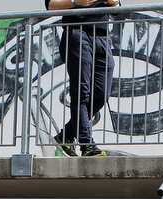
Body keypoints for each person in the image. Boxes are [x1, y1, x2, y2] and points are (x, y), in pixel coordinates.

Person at [45, 0, 118, 157]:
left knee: (101, 94)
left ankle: (66, 136)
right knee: (81, 93)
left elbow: (118, 9)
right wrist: (75, 2)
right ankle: (87, 145)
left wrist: (114, 2)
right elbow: (50, 5)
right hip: (77, 33)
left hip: (103, 37)